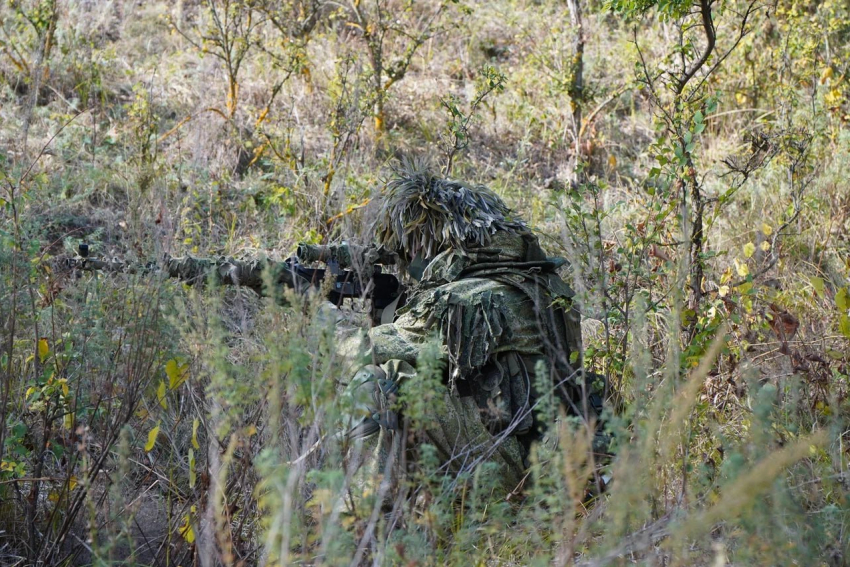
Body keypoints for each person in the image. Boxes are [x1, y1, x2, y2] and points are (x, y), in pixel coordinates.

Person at [344, 163, 608, 500]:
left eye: (411, 251)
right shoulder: (537, 285)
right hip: (543, 454)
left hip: (503, 467)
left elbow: (362, 348)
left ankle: (361, 518)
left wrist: (321, 315)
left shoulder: (464, 296)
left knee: (377, 380)